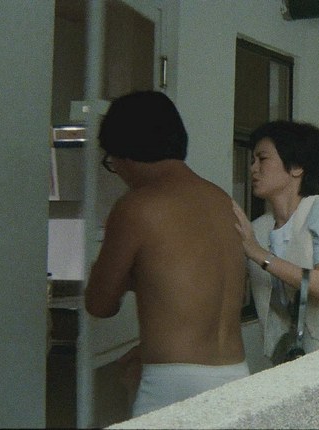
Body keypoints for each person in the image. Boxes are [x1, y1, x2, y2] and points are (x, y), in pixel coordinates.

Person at [84, 91, 249, 417]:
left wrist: (127, 274)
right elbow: (194, 290)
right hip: (236, 373)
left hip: (174, 384)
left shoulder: (137, 207)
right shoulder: (222, 201)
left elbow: (100, 304)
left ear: (124, 154)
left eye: (111, 162)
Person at [232, 120, 319, 362]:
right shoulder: (258, 228)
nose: (253, 168)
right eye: (252, 160)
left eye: (262, 159)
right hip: (288, 362)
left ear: (296, 167)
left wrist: (258, 253)